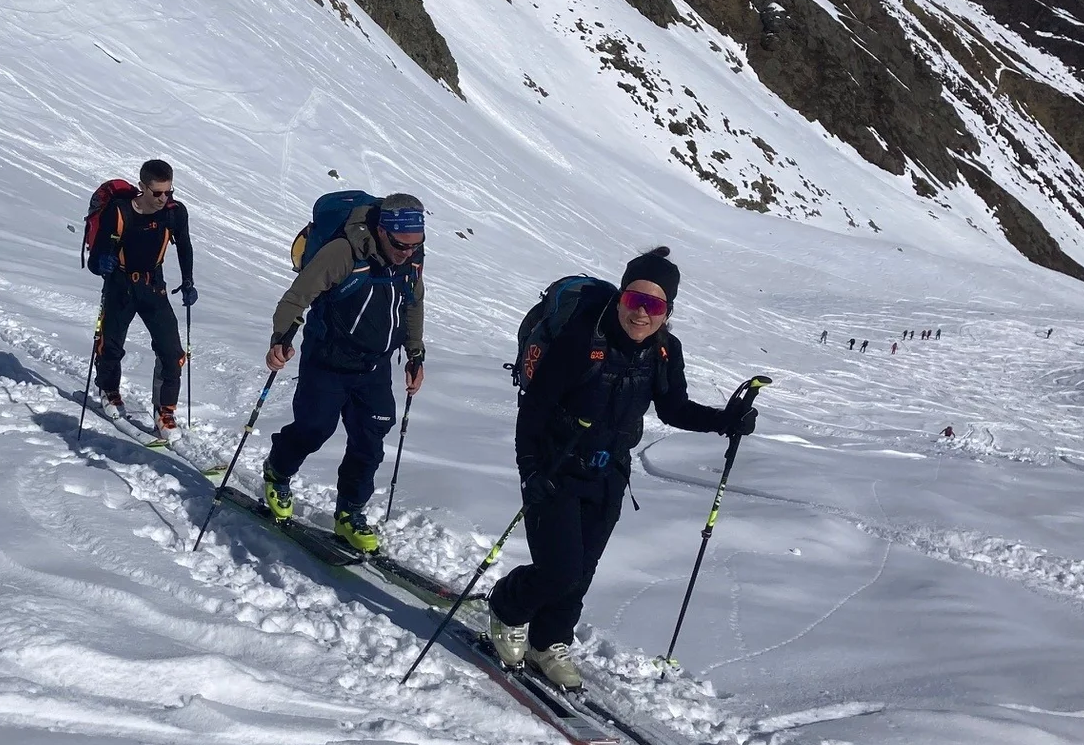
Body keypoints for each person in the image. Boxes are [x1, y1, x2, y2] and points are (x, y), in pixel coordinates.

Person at [488, 246, 753, 690]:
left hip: (610, 474)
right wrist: (531, 470)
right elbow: (534, 409)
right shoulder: (581, 339)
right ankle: (507, 607)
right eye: (634, 300)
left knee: (581, 573)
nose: (641, 314)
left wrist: (725, 421)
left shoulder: (665, 352)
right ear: (619, 298)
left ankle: (549, 641)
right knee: (560, 569)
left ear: (667, 311)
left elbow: (673, 409)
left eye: (654, 306)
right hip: (555, 468)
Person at [260, 194, 426, 554]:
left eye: (416, 246)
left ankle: (349, 513)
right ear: (382, 231)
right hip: (328, 360)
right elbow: (296, 297)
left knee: (370, 442)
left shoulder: (411, 259)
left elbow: (413, 304)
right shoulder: (343, 252)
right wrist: (281, 338)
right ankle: (277, 471)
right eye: (401, 245)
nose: (408, 253)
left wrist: (415, 354)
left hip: (375, 366)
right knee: (313, 429)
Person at [87, 160, 194, 432]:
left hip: (152, 286)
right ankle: (109, 391)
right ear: (141, 187)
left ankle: (165, 411)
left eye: (168, 192)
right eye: (157, 192)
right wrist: (101, 265)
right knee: (110, 346)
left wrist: (188, 281)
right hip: (120, 285)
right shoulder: (119, 211)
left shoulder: (174, 213)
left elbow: (184, 246)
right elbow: (95, 257)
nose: (163, 198)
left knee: (172, 353)